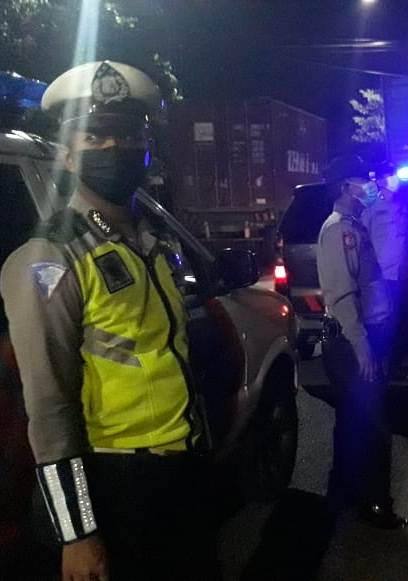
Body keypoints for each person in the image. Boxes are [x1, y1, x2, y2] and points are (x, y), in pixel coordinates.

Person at [0, 61, 216, 580]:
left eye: (127, 135)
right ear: (67, 153)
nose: (113, 148)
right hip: (118, 483)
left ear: (146, 148)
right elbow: (48, 409)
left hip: (184, 469)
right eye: (94, 136)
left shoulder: (153, 241)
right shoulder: (49, 257)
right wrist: (78, 533)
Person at [317, 155, 408, 529]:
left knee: (352, 421)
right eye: (362, 180)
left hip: (359, 337)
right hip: (354, 341)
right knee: (375, 425)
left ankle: (343, 494)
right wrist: (362, 346)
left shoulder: (353, 225)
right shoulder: (340, 231)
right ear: (345, 187)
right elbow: (342, 294)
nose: (369, 186)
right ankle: (375, 503)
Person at [362, 161, 408, 380]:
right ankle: (378, 368)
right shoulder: (371, 208)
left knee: (400, 322)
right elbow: (364, 240)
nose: (394, 180)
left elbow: (405, 240)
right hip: (381, 276)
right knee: (382, 323)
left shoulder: (401, 206)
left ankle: (395, 367)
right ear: (381, 180)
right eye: (390, 175)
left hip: (400, 273)